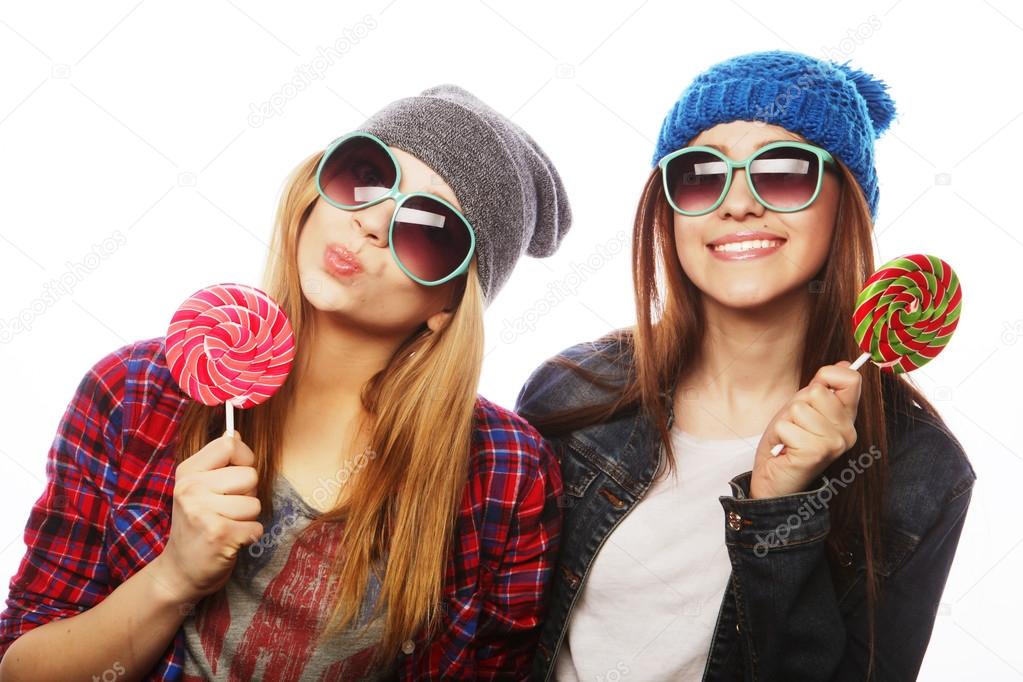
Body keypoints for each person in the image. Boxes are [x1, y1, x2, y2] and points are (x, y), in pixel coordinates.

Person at [0, 84, 571, 681]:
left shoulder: (508, 474)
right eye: (366, 176)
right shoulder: (135, 392)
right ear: (314, 193)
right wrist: (173, 577)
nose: (372, 222)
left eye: (429, 229)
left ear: (451, 304)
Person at [516, 50, 975, 681]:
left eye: (782, 172)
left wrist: (781, 511)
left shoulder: (920, 470)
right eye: (701, 175)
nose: (737, 205)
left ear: (845, 204)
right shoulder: (568, 392)